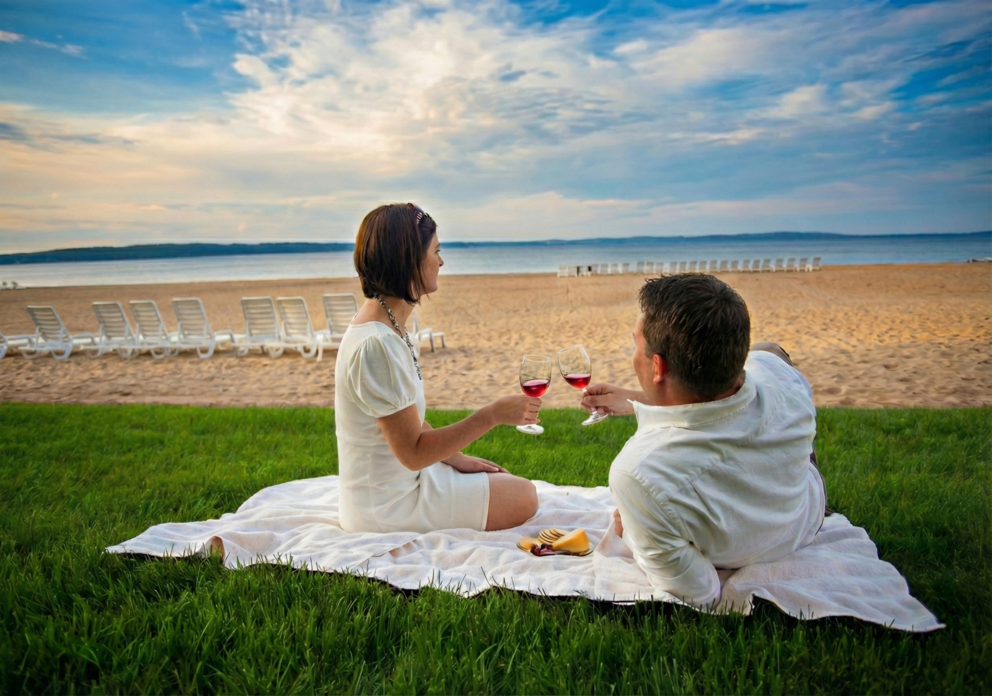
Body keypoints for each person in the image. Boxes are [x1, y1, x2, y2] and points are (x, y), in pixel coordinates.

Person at [580, 274, 827, 606]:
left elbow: (699, 593)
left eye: (636, 342)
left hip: (746, 548)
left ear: (657, 366)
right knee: (771, 351)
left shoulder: (639, 473)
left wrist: (637, 533)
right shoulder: (779, 374)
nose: (634, 351)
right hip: (803, 514)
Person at [335, 203, 539, 534]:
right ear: (409, 260)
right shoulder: (378, 345)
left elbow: (404, 418)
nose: (441, 261)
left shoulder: (385, 325)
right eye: (436, 251)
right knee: (524, 496)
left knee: (510, 484)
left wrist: (455, 457)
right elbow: (413, 454)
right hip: (387, 508)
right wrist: (491, 415)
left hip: (397, 485)